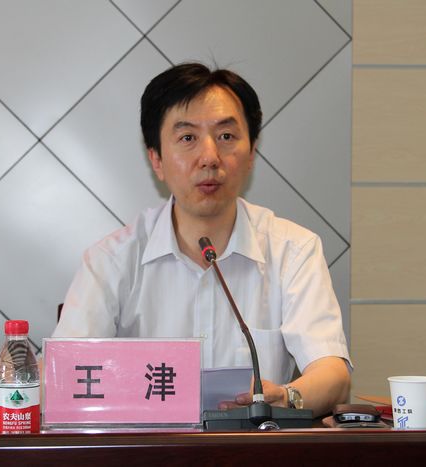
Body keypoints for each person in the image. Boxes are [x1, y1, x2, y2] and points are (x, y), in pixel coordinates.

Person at [53, 63, 351, 416]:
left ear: (252, 153)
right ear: (156, 159)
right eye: (187, 138)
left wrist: (287, 397)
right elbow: (64, 377)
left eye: (226, 136)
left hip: (253, 444)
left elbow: (333, 374)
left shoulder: (293, 250)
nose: (210, 157)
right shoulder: (111, 260)